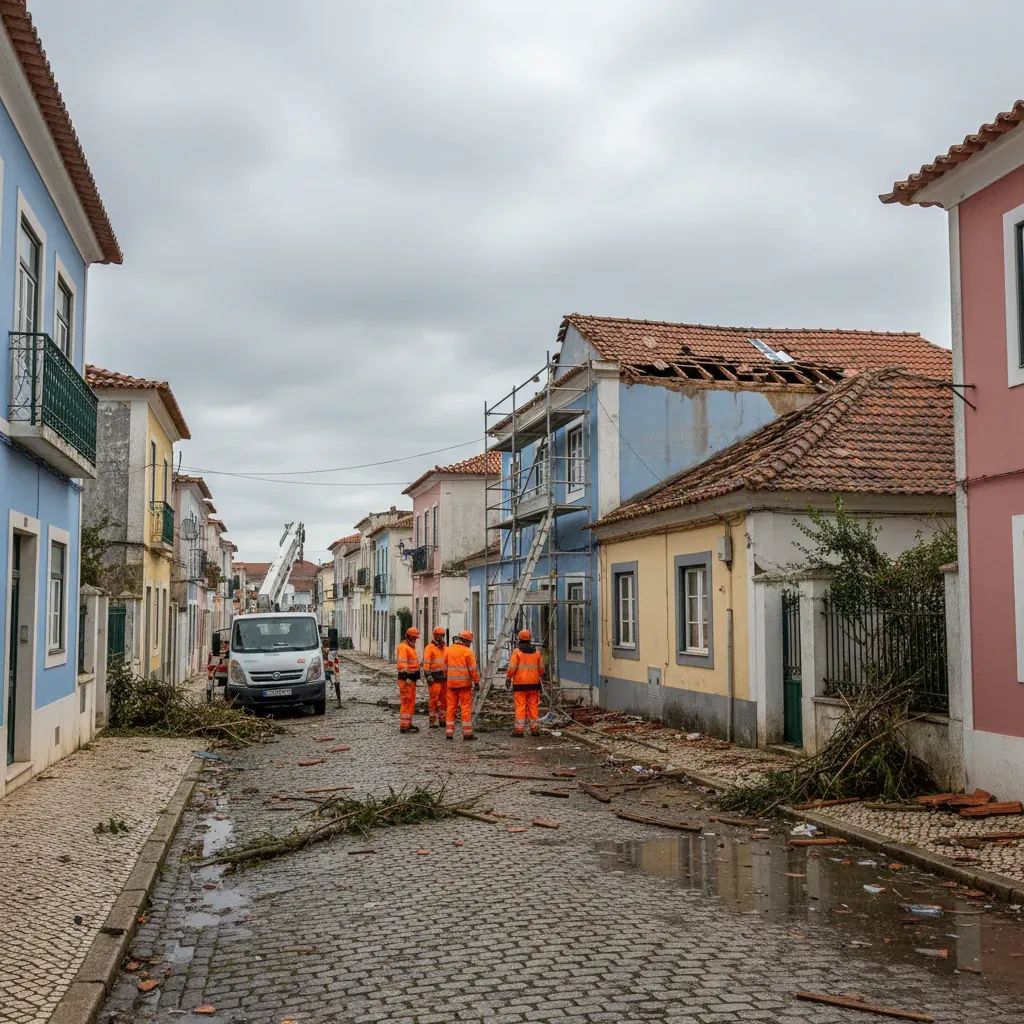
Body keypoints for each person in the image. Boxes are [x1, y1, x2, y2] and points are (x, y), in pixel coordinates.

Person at [506, 628, 545, 737]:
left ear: (519, 639)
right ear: (530, 639)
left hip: (520, 685)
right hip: (534, 684)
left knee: (520, 706)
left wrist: (508, 678)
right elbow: (541, 669)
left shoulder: (517, 652)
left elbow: (512, 668)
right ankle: (534, 729)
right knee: (533, 706)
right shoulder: (536, 652)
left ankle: (519, 730)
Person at [445, 630, 479, 741]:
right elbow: (473, 669)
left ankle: (449, 732)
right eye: (469, 642)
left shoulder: (449, 650)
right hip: (464, 685)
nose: (469, 644)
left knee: (451, 708)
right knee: (465, 709)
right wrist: (476, 682)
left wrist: (447, 678)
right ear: (466, 641)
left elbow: (444, 667)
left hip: (451, 685)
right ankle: (467, 733)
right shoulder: (468, 652)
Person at [396, 626, 421, 734]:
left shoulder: (410, 647)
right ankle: (404, 725)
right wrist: (406, 678)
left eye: (416, 638)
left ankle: (408, 723)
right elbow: (402, 665)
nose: (415, 640)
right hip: (407, 679)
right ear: (408, 637)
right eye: (414, 638)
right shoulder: (403, 647)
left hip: (411, 679)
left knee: (410, 702)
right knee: (406, 702)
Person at [423, 626, 448, 728]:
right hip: (434, 678)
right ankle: (432, 721)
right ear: (434, 636)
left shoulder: (446, 648)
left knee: (444, 700)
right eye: (438, 635)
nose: (439, 637)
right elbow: (426, 663)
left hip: (444, 678)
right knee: (434, 699)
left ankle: (443, 719)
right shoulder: (429, 648)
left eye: (441, 636)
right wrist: (427, 675)